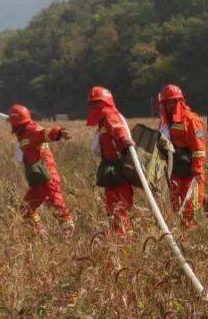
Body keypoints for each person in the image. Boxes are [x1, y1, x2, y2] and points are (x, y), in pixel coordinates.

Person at [8, 105, 74, 231]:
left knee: (59, 207)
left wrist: (59, 132)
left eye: (11, 122)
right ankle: (38, 234)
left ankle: (70, 237)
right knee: (26, 209)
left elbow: (45, 133)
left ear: (16, 123)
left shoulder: (30, 130)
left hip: (48, 178)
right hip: (38, 181)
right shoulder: (23, 134)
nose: (10, 125)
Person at [86, 87, 137, 236]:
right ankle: (121, 240)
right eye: (92, 104)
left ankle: (124, 244)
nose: (93, 108)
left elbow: (118, 131)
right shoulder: (103, 123)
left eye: (96, 104)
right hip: (111, 172)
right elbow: (97, 148)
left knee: (119, 210)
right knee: (113, 210)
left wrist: (124, 140)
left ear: (104, 103)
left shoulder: (110, 116)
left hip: (119, 171)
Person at [158, 85, 207, 228]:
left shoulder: (191, 120)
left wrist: (197, 169)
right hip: (174, 173)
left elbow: (199, 148)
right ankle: (182, 238)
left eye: (172, 102)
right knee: (176, 209)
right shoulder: (165, 122)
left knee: (192, 210)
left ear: (179, 101)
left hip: (191, 175)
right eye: (166, 103)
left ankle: (195, 239)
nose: (169, 106)